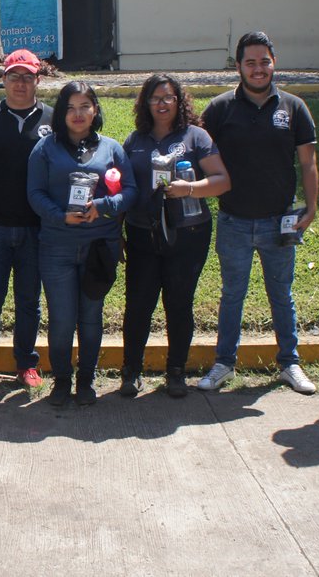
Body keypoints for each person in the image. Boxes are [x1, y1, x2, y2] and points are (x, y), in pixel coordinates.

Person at [198, 31, 319, 395]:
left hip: (278, 221)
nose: (258, 68)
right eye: (250, 62)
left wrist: (311, 207)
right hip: (233, 220)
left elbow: (308, 162)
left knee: (281, 294)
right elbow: (198, 152)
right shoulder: (220, 108)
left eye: (264, 61)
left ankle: (290, 363)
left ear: (273, 62)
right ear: (238, 67)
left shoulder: (293, 107)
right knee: (232, 293)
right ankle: (223, 363)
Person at [120, 75, 230, 398]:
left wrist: (190, 188)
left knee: (179, 303)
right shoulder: (135, 141)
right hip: (143, 233)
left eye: (169, 97)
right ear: (145, 103)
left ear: (179, 101)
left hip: (188, 234)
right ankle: (131, 371)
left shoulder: (196, 137)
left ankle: (176, 372)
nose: (162, 104)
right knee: (138, 304)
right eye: (155, 98)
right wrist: (117, 232)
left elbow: (223, 181)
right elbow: (126, 189)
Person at [27, 81, 136, 406]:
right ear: (61, 113)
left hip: (97, 249)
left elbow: (130, 191)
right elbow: (34, 193)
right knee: (61, 319)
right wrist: (61, 216)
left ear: (95, 110)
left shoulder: (112, 149)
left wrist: (102, 207)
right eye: (71, 107)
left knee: (91, 317)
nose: (78, 114)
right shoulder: (45, 149)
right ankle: (62, 379)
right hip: (57, 248)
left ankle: (86, 379)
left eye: (85, 106)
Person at [0, 49, 53, 391]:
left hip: (36, 226)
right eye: (14, 76)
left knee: (29, 300)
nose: (20, 83)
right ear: (3, 79)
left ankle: (26, 363)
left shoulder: (54, 120)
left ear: (38, 80)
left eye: (27, 76)